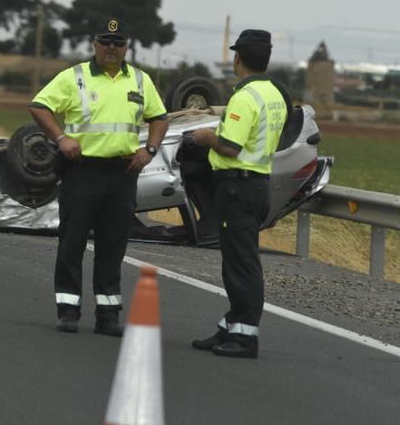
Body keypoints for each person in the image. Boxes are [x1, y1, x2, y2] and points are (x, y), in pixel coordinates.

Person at [29, 18, 168, 336]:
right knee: (72, 243)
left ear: (127, 46)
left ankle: (108, 315)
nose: (111, 47)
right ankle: (68, 310)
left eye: (118, 42)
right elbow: (39, 106)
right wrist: (60, 139)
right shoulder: (74, 77)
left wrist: (150, 149)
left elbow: (159, 118)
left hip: (123, 173)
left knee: (113, 246)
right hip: (83, 171)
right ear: (94, 43)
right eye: (105, 41)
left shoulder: (140, 80)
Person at [190, 29, 288, 358]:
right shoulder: (275, 93)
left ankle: (245, 336)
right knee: (239, 259)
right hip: (257, 182)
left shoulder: (245, 97)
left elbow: (230, 147)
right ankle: (231, 326)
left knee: (241, 264)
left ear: (237, 57)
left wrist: (206, 137)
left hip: (238, 185)